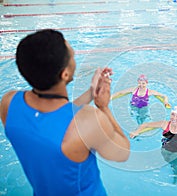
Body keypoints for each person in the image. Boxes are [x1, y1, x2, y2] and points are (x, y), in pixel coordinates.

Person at [0, 29, 130, 196]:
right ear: (65, 73)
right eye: (72, 56)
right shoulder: (90, 121)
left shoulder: (9, 104)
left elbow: (53, 121)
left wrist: (90, 94)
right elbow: (122, 153)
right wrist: (103, 107)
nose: (74, 57)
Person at [130, 106, 177, 184]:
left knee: (175, 167)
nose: (174, 118)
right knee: (164, 162)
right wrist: (136, 132)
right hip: (165, 151)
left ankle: (175, 175)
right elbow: (146, 125)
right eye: (173, 114)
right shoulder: (164, 124)